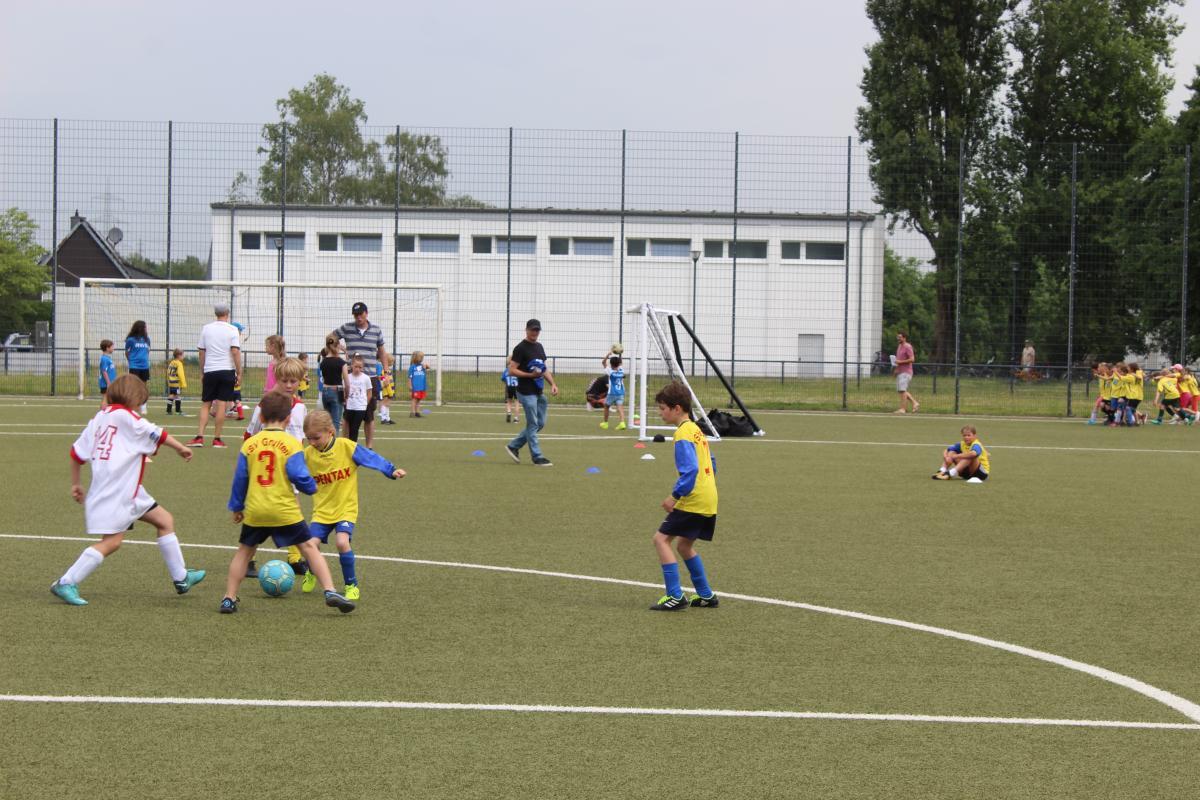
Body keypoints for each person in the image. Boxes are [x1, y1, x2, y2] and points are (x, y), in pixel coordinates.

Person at [50, 374, 205, 606]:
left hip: (128, 490)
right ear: (134, 398)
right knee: (112, 542)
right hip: (117, 492)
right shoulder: (127, 417)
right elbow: (157, 433)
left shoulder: (99, 417)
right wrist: (180, 448)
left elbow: (76, 453)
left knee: (164, 520)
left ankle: (181, 577)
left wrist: (76, 483)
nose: (141, 406)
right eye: (141, 401)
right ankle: (66, 581)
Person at [220, 391, 354, 614]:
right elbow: (299, 475)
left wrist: (237, 507)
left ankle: (229, 597)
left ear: (261, 417)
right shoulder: (292, 444)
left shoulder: (249, 445)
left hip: (256, 510)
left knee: (244, 552)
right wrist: (311, 487)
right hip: (284, 510)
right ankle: (330, 591)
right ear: (288, 419)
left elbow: (240, 479)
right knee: (309, 548)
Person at [300, 411, 406, 600]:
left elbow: (371, 458)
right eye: (309, 438)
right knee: (310, 545)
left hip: (345, 508)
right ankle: (311, 571)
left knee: (342, 542)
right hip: (322, 511)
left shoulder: (346, 447)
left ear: (330, 431)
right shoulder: (307, 454)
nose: (312, 442)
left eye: (316, 438)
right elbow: (294, 470)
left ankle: (351, 585)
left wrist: (391, 470)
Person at [648, 381, 718, 611]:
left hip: (693, 498)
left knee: (661, 540)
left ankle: (675, 595)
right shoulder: (697, 430)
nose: (660, 413)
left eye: (662, 408)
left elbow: (690, 470)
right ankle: (705, 595)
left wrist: (675, 496)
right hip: (709, 497)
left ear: (677, 408)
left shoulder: (682, 434)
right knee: (684, 545)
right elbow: (712, 463)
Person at [504, 319, 559, 467]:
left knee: (539, 423)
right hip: (525, 392)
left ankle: (513, 446)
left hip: (538, 391)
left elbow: (543, 368)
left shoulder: (539, 347)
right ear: (526, 330)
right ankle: (537, 456)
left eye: (537, 330)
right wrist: (530, 376)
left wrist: (553, 384)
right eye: (532, 329)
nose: (535, 332)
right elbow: (511, 370)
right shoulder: (520, 348)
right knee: (533, 423)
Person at [337, 302, 390, 449]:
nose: (358, 317)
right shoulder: (347, 328)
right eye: (356, 315)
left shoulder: (376, 330)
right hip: (351, 378)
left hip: (370, 377)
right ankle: (346, 445)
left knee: (369, 415)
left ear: (366, 313)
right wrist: (339, 349)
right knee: (347, 415)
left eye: (360, 314)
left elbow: (382, 352)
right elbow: (331, 338)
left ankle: (369, 447)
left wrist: (386, 371)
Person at [189, 304, 242, 448]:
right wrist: (239, 372)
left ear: (215, 313)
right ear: (227, 313)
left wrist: (202, 371)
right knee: (221, 404)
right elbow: (235, 352)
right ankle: (217, 439)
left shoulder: (207, 328)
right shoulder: (232, 329)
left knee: (206, 404)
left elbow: (202, 352)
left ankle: (199, 437)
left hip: (210, 370)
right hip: (227, 370)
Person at [318, 334, 347, 434]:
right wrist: (346, 395)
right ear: (338, 345)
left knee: (327, 422)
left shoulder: (323, 362)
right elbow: (347, 382)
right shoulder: (341, 362)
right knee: (335, 423)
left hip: (325, 391)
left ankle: (326, 441)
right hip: (337, 391)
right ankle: (334, 442)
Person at [342, 355, 373, 443]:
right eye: (356, 366)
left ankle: (352, 447)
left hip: (360, 408)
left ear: (362, 367)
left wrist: (365, 404)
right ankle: (348, 445)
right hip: (349, 407)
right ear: (352, 365)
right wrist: (345, 401)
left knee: (355, 428)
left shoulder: (366, 378)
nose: (357, 369)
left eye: (360, 367)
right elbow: (344, 391)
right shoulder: (347, 377)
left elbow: (369, 393)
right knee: (348, 427)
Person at [125, 320, 151, 413]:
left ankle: (143, 405)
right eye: (144, 327)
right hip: (134, 366)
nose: (146, 329)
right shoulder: (130, 340)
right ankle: (133, 405)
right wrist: (131, 361)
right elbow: (127, 352)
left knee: (143, 386)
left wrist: (144, 359)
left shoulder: (147, 339)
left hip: (145, 366)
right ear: (139, 328)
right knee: (134, 386)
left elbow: (147, 351)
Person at [893, 332, 919, 414]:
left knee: (902, 390)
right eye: (898, 337)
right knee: (901, 390)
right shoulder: (899, 346)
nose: (898, 338)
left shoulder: (908, 346)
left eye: (900, 337)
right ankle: (915, 403)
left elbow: (912, 359)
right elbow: (898, 360)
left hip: (906, 372)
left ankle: (903, 409)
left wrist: (900, 362)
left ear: (904, 338)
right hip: (900, 371)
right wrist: (896, 369)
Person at [600, 355, 627, 431]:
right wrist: (620, 353)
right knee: (620, 407)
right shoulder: (621, 370)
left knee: (606, 406)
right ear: (619, 364)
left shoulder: (610, 371)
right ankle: (622, 423)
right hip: (621, 392)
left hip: (612, 393)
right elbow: (620, 363)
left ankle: (605, 423)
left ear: (611, 364)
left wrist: (608, 355)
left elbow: (603, 362)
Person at [166, 348, 187, 416]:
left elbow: (168, 372)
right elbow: (181, 374)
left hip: (171, 382)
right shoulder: (179, 363)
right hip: (176, 383)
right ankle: (178, 411)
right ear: (179, 355)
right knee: (177, 396)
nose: (183, 357)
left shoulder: (172, 363)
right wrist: (183, 383)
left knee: (171, 394)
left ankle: (168, 411)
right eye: (182, 355)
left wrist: (169, 380)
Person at [408, 350, 428, 418]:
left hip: (422, 386)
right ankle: (412, 412)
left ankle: (417, 412)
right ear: (415, 357)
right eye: (420, 357)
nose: (422, 358)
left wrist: (426, 367)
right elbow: (409, 377)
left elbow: (428, 367)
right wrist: (410, 385)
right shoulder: (412, 367)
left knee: (419, 400)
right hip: (415, 387)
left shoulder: (422, 366)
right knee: (414, 399)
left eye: (422, 357)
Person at [97, 339, 117, 407]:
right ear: (107, 348)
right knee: (105, 399)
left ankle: (107, 412)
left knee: (109, 400)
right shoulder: (104, 359)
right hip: (105, 384)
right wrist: (108, 383)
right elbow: (104, 371)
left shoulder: (107, 358)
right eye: (112, 347)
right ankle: (102, 413)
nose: (113, 348)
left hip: (110, 383)